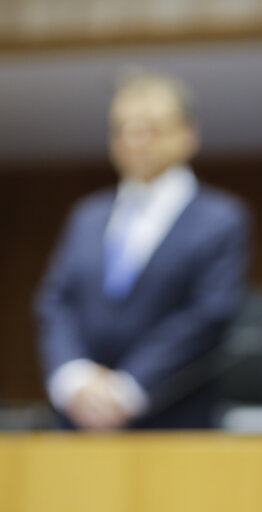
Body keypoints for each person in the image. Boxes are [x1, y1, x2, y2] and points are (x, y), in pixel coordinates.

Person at [35, 72, 250, 430]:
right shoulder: (87, 216)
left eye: (150, 127)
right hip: (76, 421)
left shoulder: (220, 219)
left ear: (186, 134)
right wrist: (73, 379)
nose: (134, 140)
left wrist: (127, 388)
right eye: (123, 128)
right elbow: (57, 302)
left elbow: (210, 313)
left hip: (174, 421)